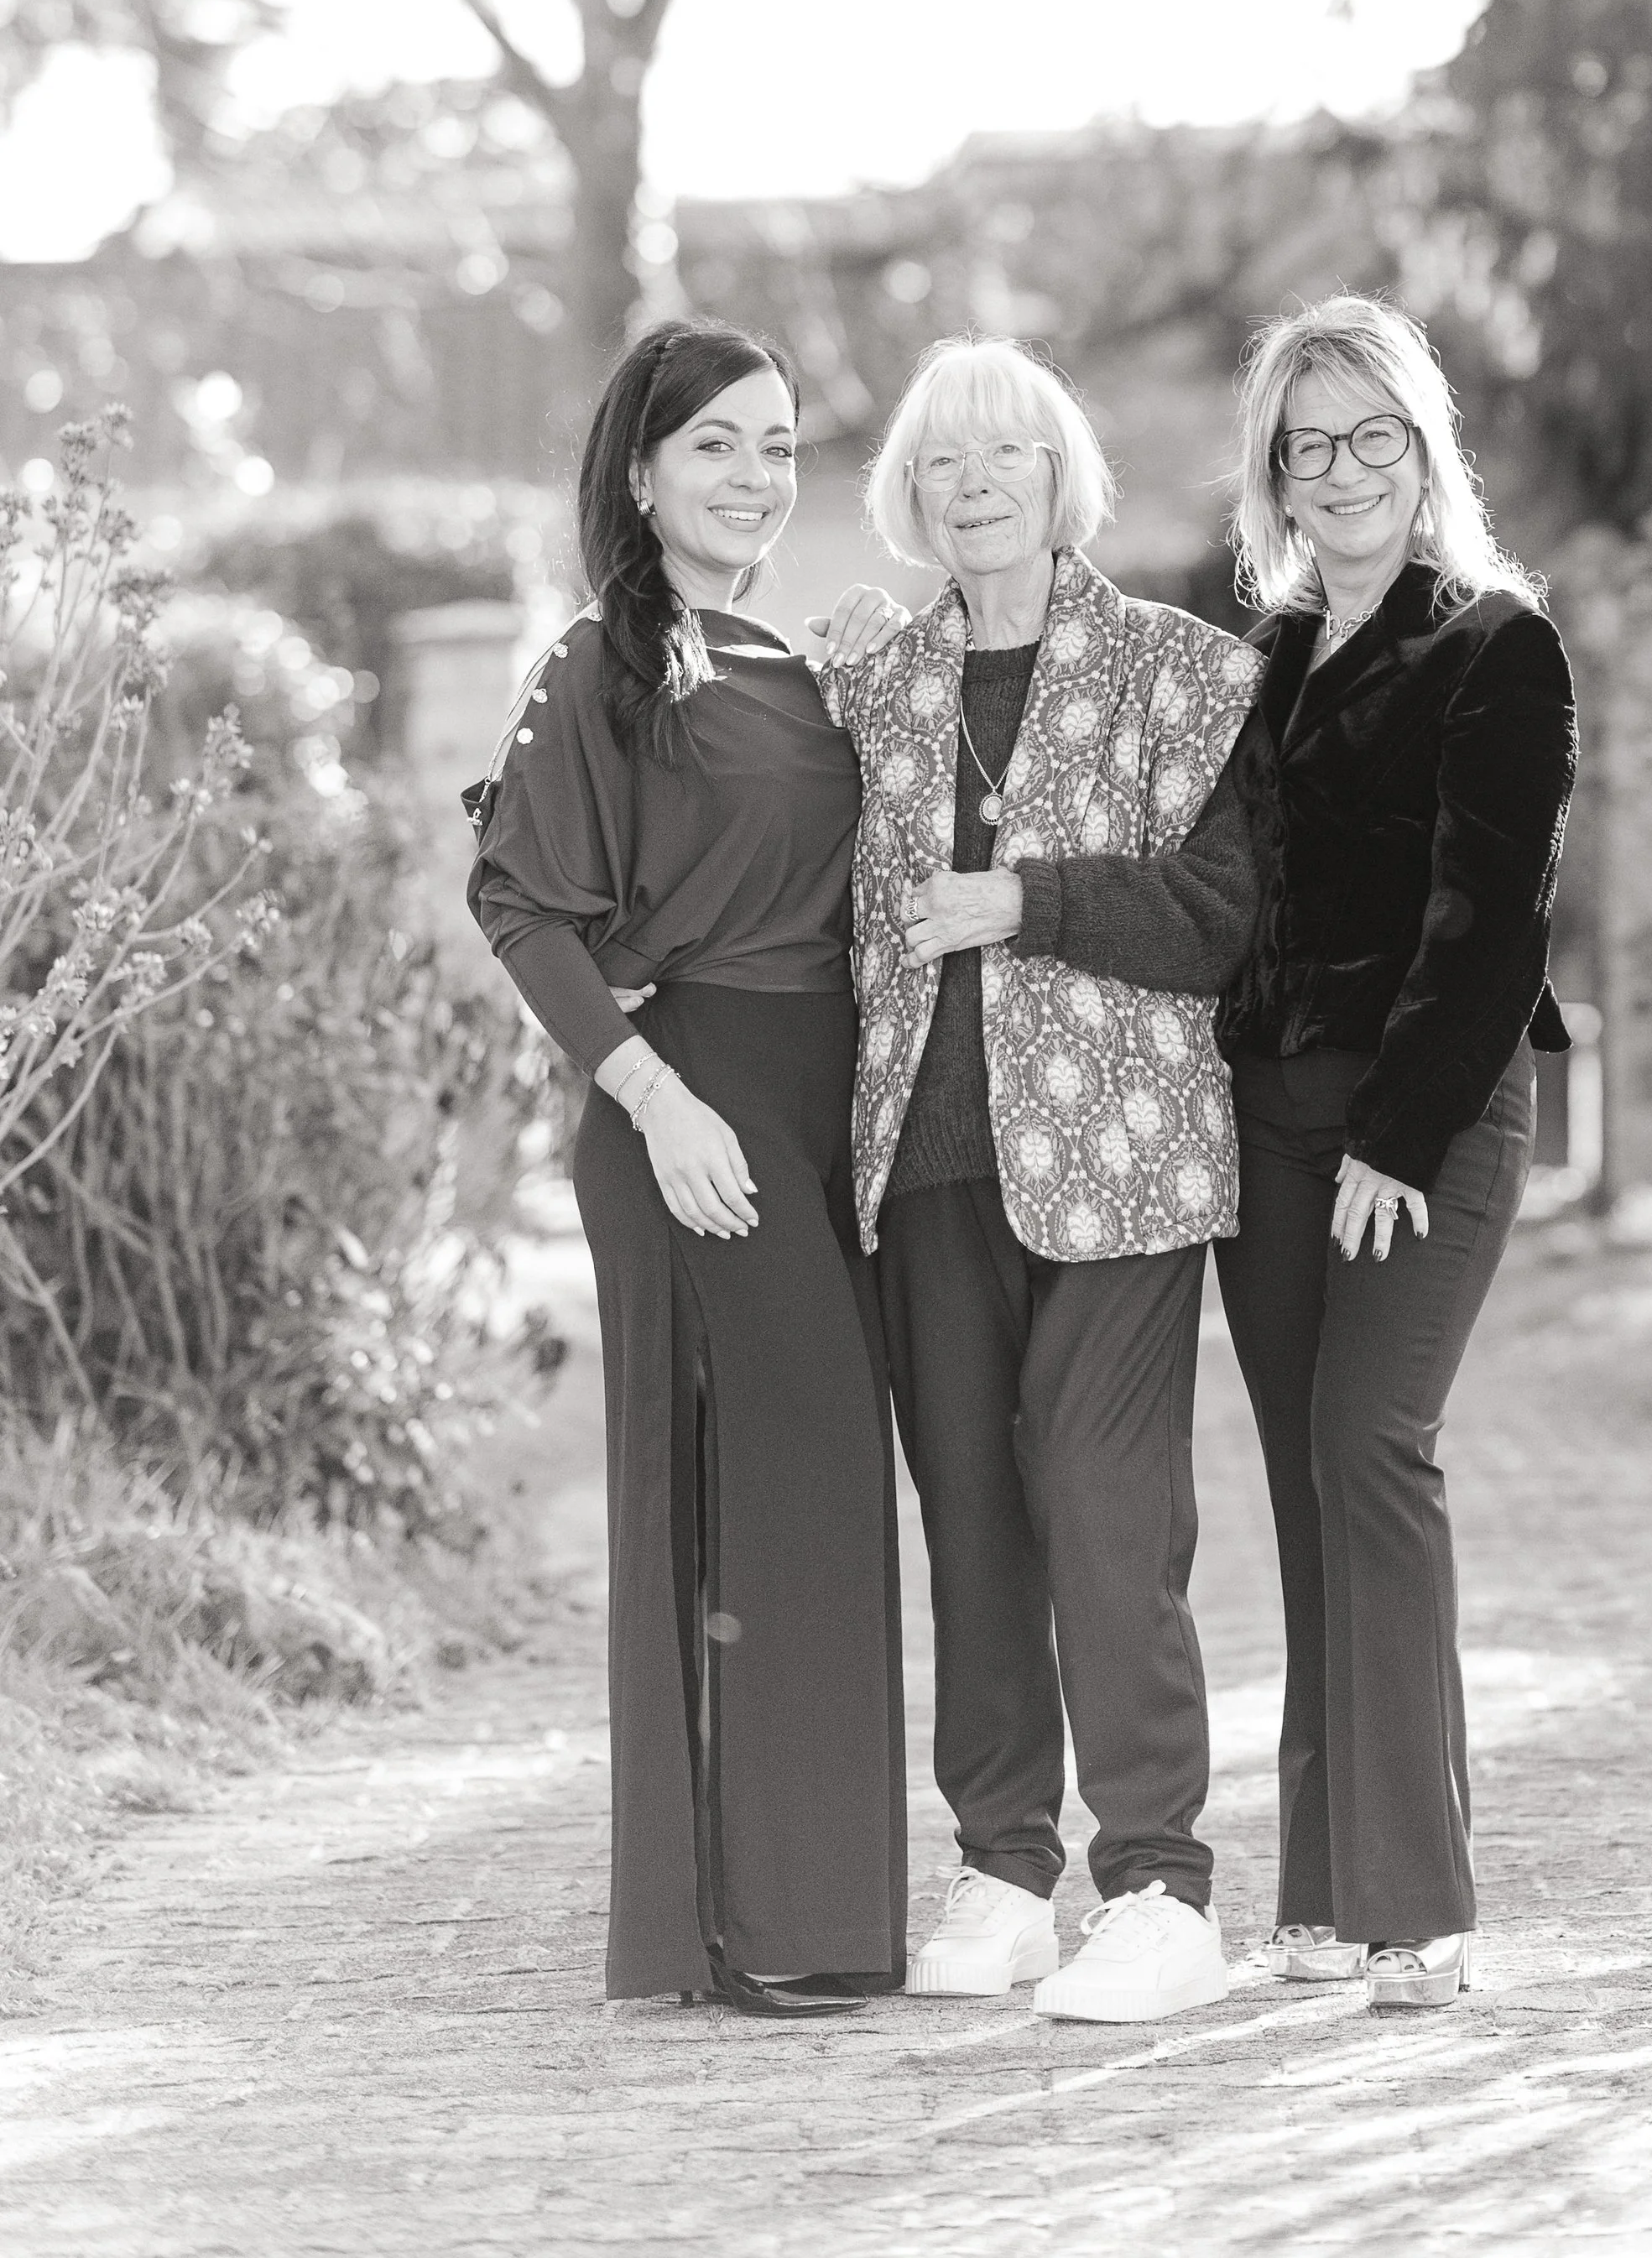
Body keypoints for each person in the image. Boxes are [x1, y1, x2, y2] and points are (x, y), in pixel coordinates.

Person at [821, 335, 1269, 2026]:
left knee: (1101, 1513)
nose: (975, 483)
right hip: (926, 1169)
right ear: (910, 499)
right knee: (976, 1534)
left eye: (1005, 453)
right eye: (941, 463)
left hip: (1124, 1169)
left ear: (1059, 474)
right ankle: (1002, 1866)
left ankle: (1157, 1885)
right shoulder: (866, 690)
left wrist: (1029, 902)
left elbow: (1220, 918)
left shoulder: (1180, 670)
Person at [467, 319, 907, 2021]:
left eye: (780, 446)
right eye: (715, 443)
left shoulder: (800, 662)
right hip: (690, 1111)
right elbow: (519, 900)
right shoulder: (598, 663)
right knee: (745, 1483)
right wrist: (655, 1098)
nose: (752, 476)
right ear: (640, 472)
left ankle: (815, 1912)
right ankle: (729, 1921)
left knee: (816, 1482)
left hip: (810, 1107)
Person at [1212, 294, 1577, 2012]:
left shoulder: (1493, 645)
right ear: (1275, 475)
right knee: (1299, 1487)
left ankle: (1418, 1906)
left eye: (1373, 436)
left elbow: (1487, 917)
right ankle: (1312, 1887)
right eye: (1310, 443)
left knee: (1372, 1449)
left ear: (1419, 450)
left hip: (1424, 1115)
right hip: (1265, 1119)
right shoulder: (1260, 657)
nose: (1343, 470)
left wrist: (1394, 1134)